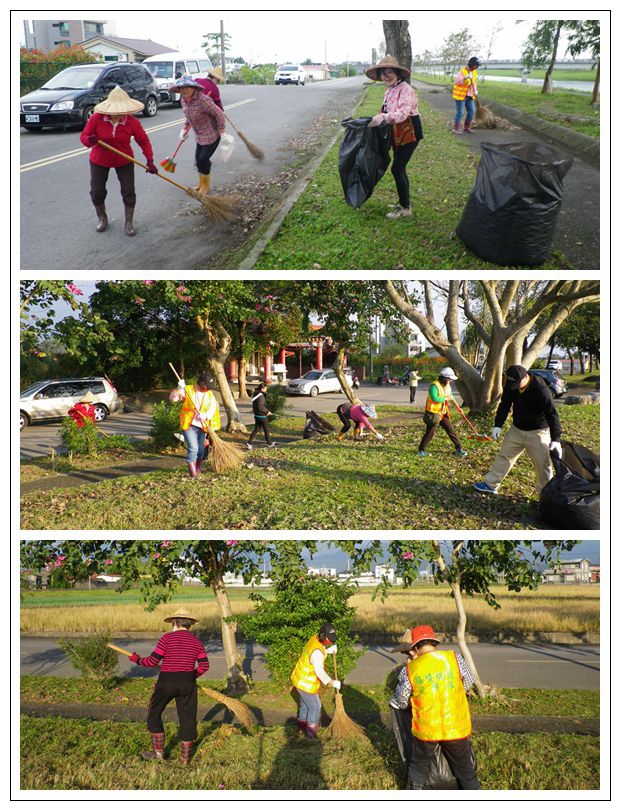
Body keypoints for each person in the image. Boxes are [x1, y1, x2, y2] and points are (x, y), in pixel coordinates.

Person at [390, 625, 480, 790]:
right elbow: (468, 680)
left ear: (416, 646)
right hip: (456, 728)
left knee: (418, 768)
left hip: (427, 731)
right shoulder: (455, 658)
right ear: (433, 642)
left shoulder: (410, 669)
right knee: (466, 772)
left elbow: (401, 700)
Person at [129, 607, 209, 765]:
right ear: (189, 624)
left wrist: (136, 659)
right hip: (188, 684)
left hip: (166, 682)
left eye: (172, 623)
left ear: (175, 622)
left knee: (154, 713)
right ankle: (185, 761)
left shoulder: (167, 639)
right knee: (187, 719)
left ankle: (158, 754)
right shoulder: (196, 642)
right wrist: (190, 676)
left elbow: (152, 662)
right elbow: (204, 666)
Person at [80, 85, 158, 236]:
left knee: (128, 191)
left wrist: (150, 160)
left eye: (121, 112)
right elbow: (84, 136)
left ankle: (129, 222)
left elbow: (144, 141)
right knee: (97, 191)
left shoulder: (132, 122)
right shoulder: (96, 118)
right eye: (115, 112)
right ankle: (102, 218)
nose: (118, 115)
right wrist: (90, 140)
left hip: (124, 159)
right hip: (99, 160)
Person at [474, 364, 563, 495]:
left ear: (525, 376)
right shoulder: (512, 385)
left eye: (516, 383)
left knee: (542, 465)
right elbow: (505, 405)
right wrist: (498, 425)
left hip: (537, 432)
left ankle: (545, 493)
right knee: (504, 456)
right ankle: (491, 484)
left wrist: (556, 438)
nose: (513, 387)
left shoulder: (540, 389)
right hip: (516, 429)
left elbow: (552, 413)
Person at [366, 55, 423, 220]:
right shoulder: (389, 90)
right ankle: (403, 202)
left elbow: (402, 114)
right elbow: (385, 112)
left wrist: (382, 118)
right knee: (400, 168)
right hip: (397, 132)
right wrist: (373, 120)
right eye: (383, 73)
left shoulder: (406, 89)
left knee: (397, 168)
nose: (386, 76)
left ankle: (405, 207)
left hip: (409, 130)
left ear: (398, 73)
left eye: (390, 72)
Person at [171, 74, 226, 196]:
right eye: (181, 87)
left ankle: (205, 186)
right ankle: (201, 184)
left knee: (203, 159)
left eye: (188, 87)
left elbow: (219, 114)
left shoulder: (203, 100)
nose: (185, 90)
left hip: (212, 134)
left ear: (193, 87)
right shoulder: (183, 100)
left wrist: (222, 131)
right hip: (199, 136)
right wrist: (184, 129)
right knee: (198, 160)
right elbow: (189, 116)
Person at [291, 622, 341, 739]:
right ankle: (310, 736)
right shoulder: (317, 652)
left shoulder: (315, 638)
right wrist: (332, 682)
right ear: (323, 636)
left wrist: (327, 651)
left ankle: (301, 728)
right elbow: (319, 670)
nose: (331, 642)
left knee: (305, 704)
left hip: (299, 678)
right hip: (306, 683)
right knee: (315, 706)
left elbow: (316, 653)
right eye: (330, 639)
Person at [169, 372, 221, 479]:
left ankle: (197, 469)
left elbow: (212, 408)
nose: (208, 389)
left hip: (202, 426)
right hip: (189, 424)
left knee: (201, 450)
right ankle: (193, 475)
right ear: (201, 384)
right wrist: (179, 389)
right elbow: (172, 399)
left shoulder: (209, 394)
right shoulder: (187, 390)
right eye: (207, 386)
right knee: (193, 448)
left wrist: (206, 415)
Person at [418, 367, 467, 458]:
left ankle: (459, 449)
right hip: (433, 414)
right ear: (445, 378)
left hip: (443, 413)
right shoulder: (434, 386)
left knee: (451, 430)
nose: (451, 381)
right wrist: (445, 398)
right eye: (450, 379)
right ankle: (421, 450)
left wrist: (458, 408)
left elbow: (451, 397)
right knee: (430, 433)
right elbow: (434, 398)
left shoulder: (447, 386)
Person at [453, 57, 480, 135]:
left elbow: (474, 82)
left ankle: (467, 127)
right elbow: (457, 82)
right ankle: (456, 129)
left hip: (470, 95)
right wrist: (465, 78)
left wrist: (475, 90)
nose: (476, 67)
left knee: (472, 111)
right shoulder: (462, 72)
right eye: (475, 65)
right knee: (460, 112)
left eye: (477, 66)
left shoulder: (474, 72)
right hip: (461, 96)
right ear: (471, 64)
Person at [246, 381, 276, 450]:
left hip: (257, 415)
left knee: (256, 429)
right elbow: (260, 407)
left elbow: (257, 406)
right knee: (266, 430)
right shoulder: (261, 396)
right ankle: (269, 443)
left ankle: (249, 442)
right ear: (262, 389)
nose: (266, 390)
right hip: (262, 416)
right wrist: (267, 412)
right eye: (265, 389)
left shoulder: (255, 394)